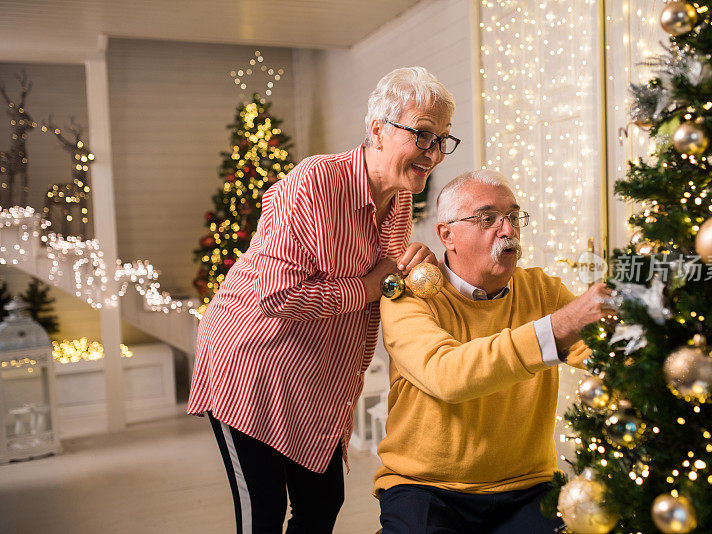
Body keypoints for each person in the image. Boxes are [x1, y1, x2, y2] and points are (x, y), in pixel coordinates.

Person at [187, 66, 460, 534]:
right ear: (378, 129)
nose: (433, 153)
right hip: (251, 368)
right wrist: (371, 286)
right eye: (423, 134)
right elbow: (277, 295)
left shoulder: (398, 202)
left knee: (322, 502)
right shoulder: (312, 185)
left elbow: (382, 284)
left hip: (317, 378)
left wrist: (416, 271)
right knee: (264, 513)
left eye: (443, 140)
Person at [375, 169, 614, 533]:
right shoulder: (409, 296)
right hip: (425, 486)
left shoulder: (542, 290)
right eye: (487, 219)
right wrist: (556, 329)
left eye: (513, 217)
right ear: (447, 234)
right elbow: (447, 375)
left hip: (527, 486)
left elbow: (605, 354)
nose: (508, 231)